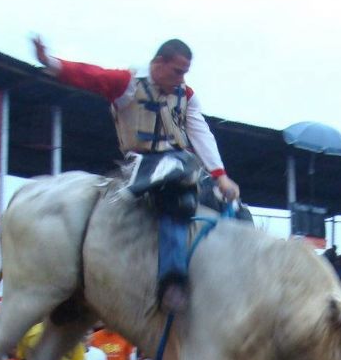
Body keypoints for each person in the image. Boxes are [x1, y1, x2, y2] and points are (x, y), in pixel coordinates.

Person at [32, 36, 240, 313]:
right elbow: (90, 76)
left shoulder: (186, 95)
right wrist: (50, 62)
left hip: (181, 165)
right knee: (178, 186)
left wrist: (221, 176)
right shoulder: (128, 84)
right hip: (141, 164)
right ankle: (171, 280)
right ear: (158, 63)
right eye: (177, 71)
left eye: (185, 73)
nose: (181, 79)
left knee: (234, 209)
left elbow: (201, 132)